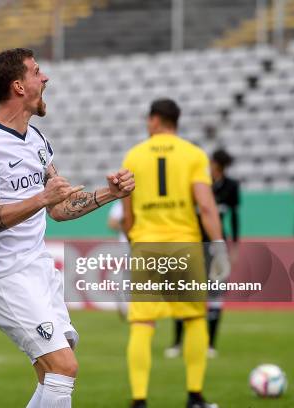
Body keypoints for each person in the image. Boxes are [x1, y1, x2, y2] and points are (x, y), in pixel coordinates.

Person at [0, 48, 134, 408]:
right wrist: (42, 200)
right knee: (64, 367)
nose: (45, 78)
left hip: (39, 268)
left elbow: (59, 207)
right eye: (36, 72)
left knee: (52, 373)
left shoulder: (38, 141)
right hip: (7, 274)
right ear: (18, 85)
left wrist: (110, 193)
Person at [122, 99, 229, 408]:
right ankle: (195, 396)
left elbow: (127, 214)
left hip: (146, 244)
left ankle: (139, 400)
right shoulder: (194, 155)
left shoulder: (134, 156)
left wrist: (134, 241)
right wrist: (218, 245)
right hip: (185, 245)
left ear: (155, 120)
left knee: (142, 325)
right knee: (195, 319)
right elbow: (206, 206)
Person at [166, 148, 241, 358]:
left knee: (215, 293)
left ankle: (210, 344)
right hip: (191, 243)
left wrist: (233, 245)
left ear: (218, 165)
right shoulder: (198, 183)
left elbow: (234, 217)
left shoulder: (231, 187)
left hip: (216, 244)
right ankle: (178, 342)